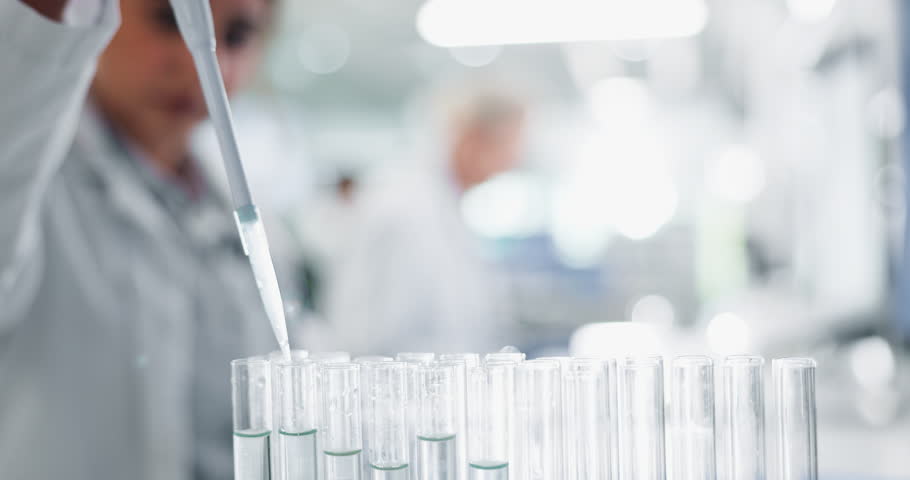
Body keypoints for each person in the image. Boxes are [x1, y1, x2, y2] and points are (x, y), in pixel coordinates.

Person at [0, 1, 281, 479]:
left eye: (236, 35)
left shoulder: (234, 215)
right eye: (168, 19)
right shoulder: (25, 176)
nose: (197, 61)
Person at [324, 83, 527, 355]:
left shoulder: (440, 200)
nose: (512, 162)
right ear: (474, 138)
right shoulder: (405, 206)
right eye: (510, 146)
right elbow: (380, 333)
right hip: (397, 377)